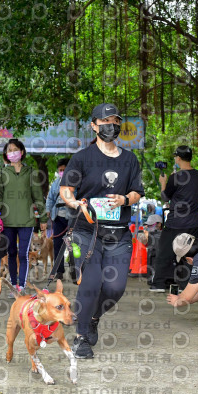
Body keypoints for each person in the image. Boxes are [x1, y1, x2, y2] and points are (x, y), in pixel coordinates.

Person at [60, 102, 144, 359]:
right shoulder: (82, 158)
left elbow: (137, 192)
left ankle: (94, 316)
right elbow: (67, 189)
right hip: (87, 231)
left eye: (116, 121)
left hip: (118, 234)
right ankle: (81, 336)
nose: (111, 126)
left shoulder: (130, 159)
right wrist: (73, 202)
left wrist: (124, 200)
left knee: (115, 288)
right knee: (92, 282)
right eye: (105, 121)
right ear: (93, 126)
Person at [0, 138, 47, 293]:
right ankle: (13, 285)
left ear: (22, 152)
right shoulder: (1, 174)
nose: (13, 153)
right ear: (5, 154)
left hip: (26, 221)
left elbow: (38, 197)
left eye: (15, 149)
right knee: (11, 253)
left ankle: (21, 286)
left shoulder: (31, 173)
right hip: (7, 221)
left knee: (23, 254)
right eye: (9, 150)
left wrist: (43, 219)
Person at [151, 145, 198, 292]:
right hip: (192, 221)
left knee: (165, 251)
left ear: (178, 158)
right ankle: (185, 285)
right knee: (189, 252)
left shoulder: (175, 178)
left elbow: (165, 197)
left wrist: (163, 183)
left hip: (175, 221)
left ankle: (159, 284)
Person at [45, 157, 71, 280]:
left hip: (72, 217)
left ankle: (74, 270)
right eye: (60, 170)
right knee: (58, 244)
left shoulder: (76, 182)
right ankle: (59, 270)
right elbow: (50, 199)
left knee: (72, 245)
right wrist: (48, 210)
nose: (62, 172)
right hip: (57, 217)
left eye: (64, 170)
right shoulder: (55, 183)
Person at [136, 214, 163, 285]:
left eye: (151, 225)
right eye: (148, 225)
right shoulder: (149, 233)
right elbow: (142, 240)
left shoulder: (161, 234)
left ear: (159, 224)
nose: (148, 227)